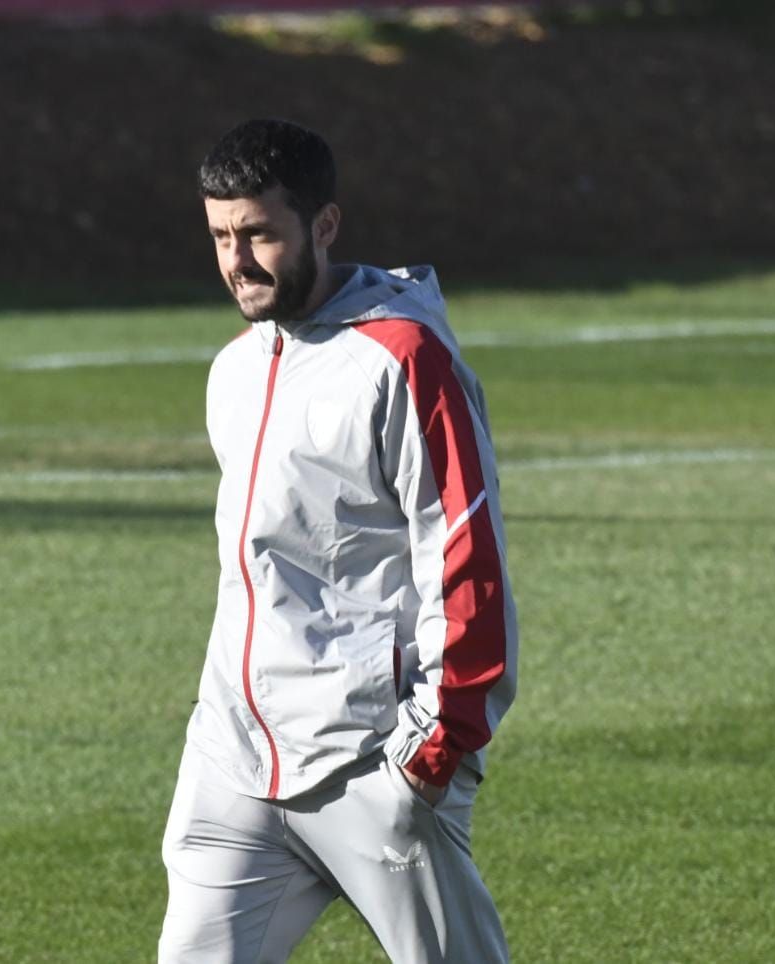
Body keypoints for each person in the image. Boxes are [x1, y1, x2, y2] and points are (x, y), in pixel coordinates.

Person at [158, 118, 516, 963]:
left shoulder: (403, 359)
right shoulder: (234, 369)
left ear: (323, 225)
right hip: (233, 760)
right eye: (219, 236)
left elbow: (465, 552)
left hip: (371, 759)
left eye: (258, 234)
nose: (237, 261)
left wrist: (435, 747)